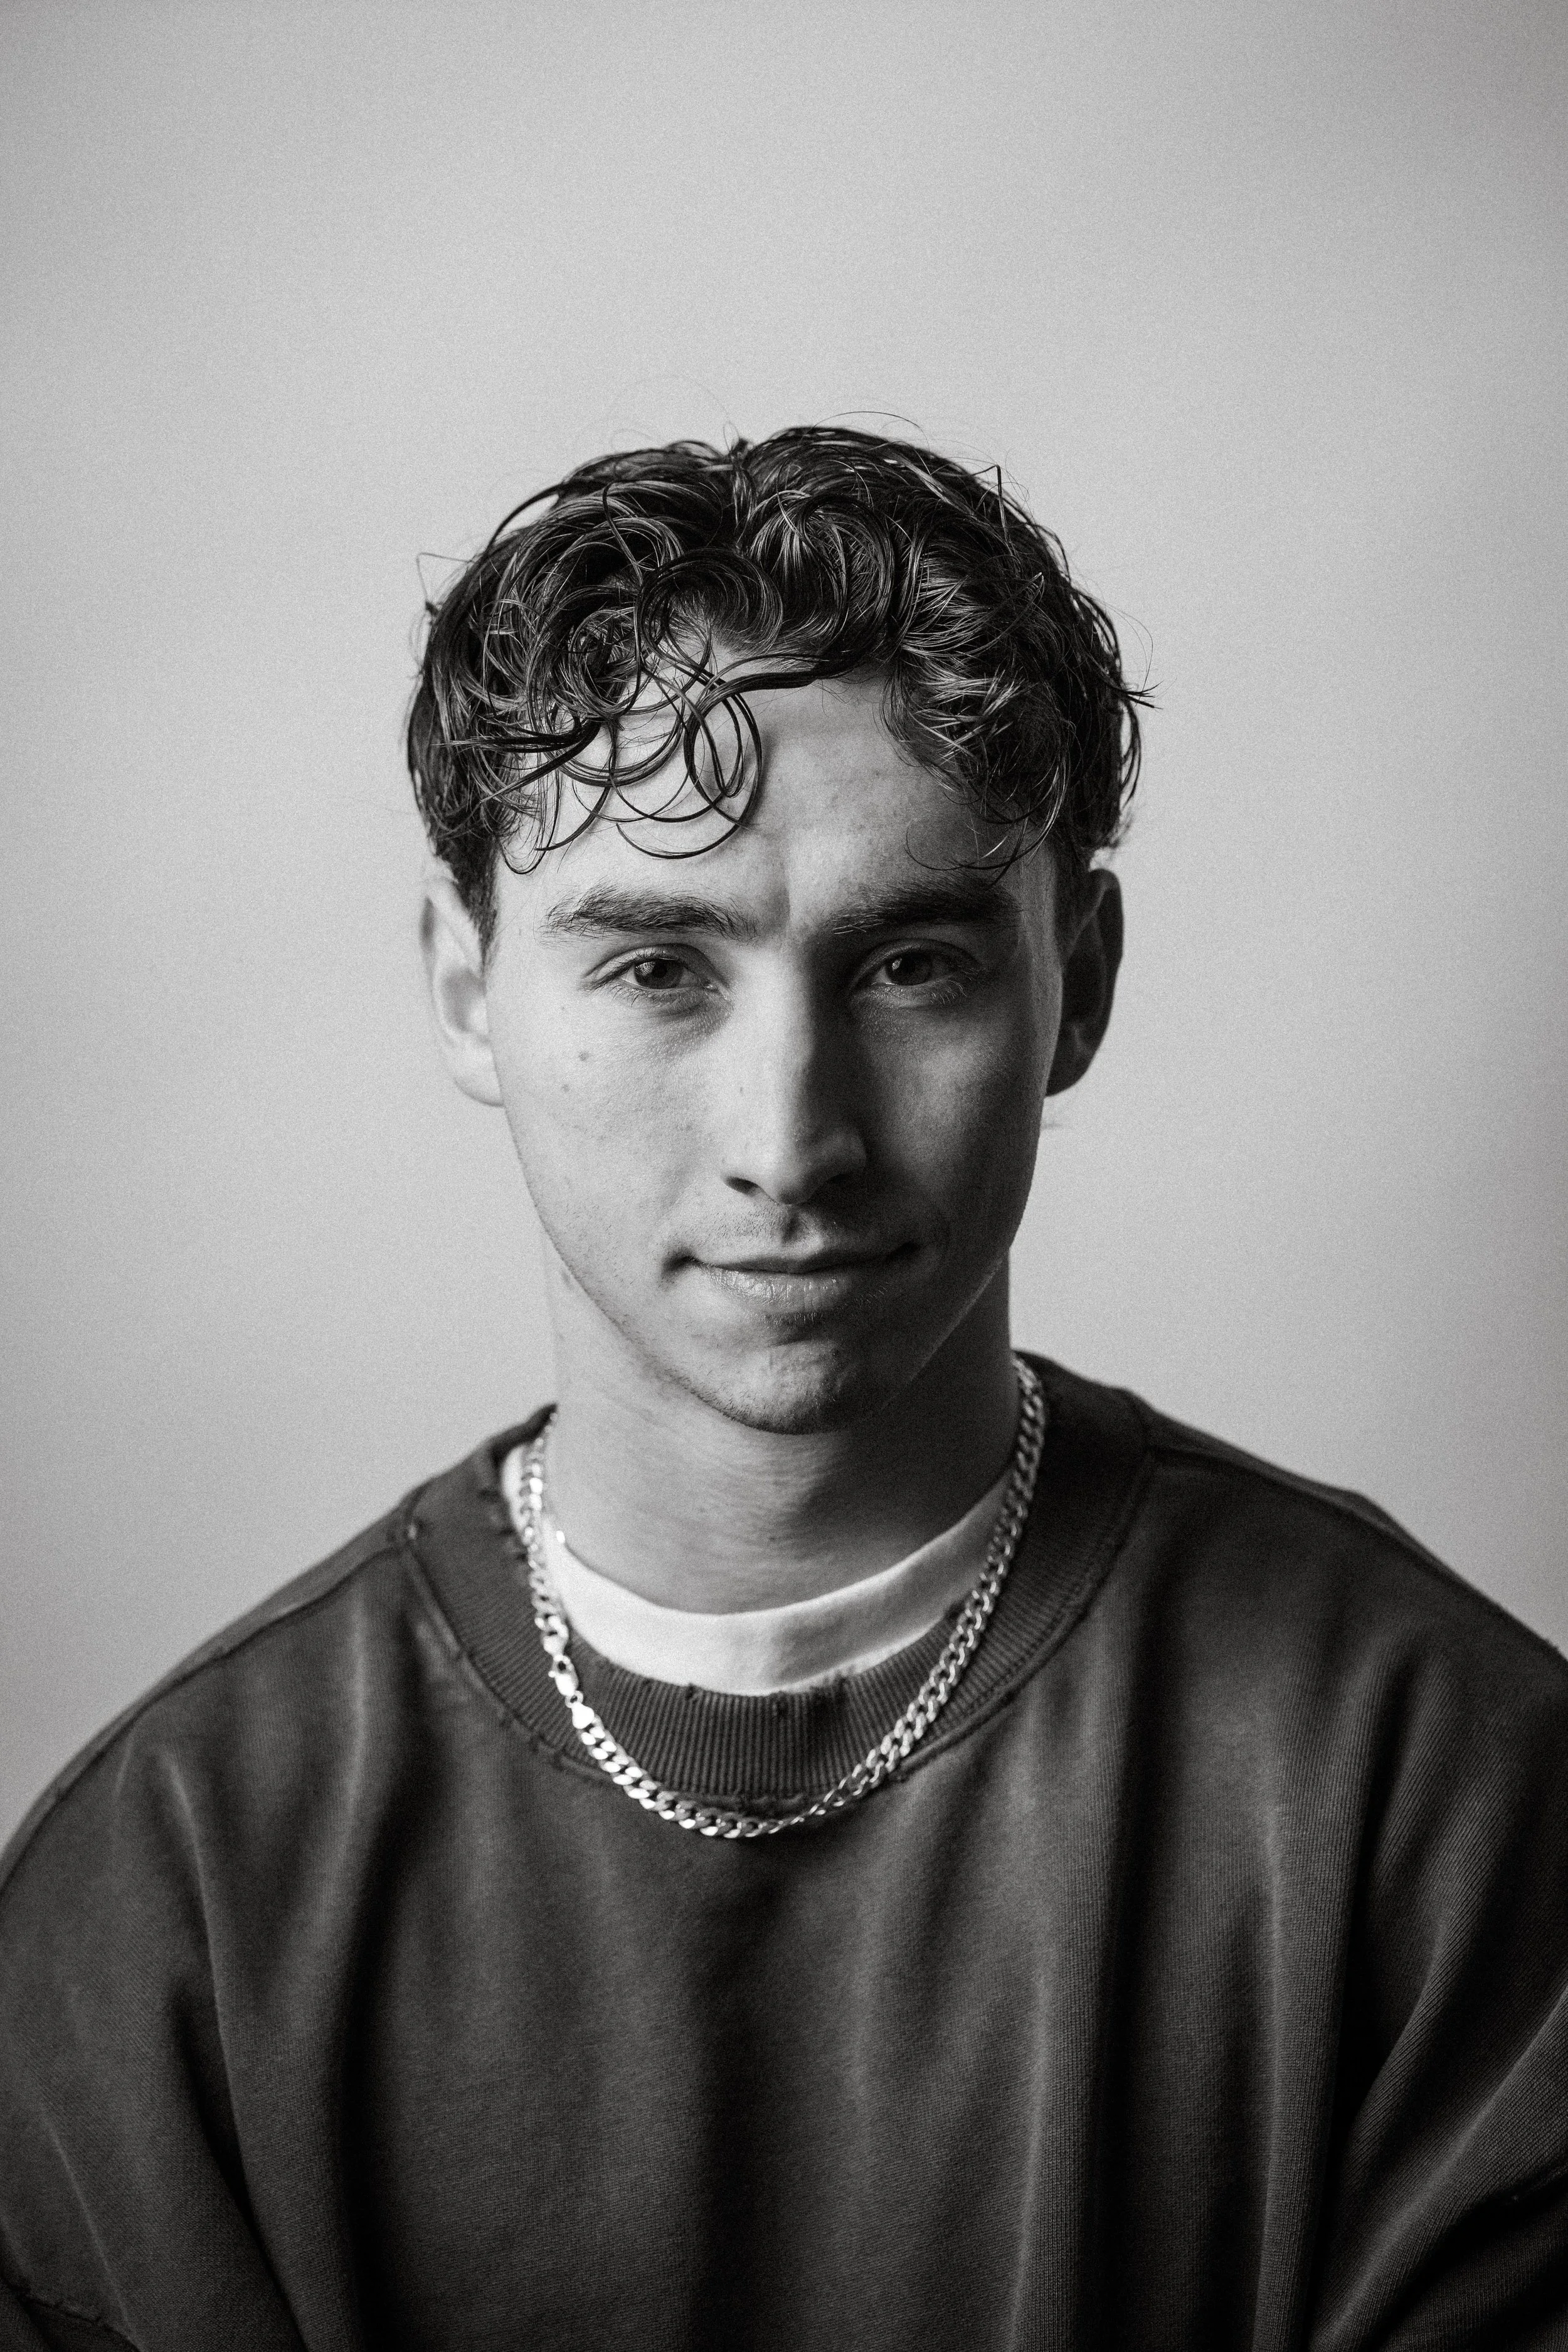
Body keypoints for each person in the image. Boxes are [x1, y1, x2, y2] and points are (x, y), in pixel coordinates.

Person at [2, 428, 1564, 2352]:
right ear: (468, 988)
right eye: (658, 968)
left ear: (1075, 980)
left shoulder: (1440, 1799)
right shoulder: (164, 1905)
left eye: (908, 964)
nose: (788, 1139)